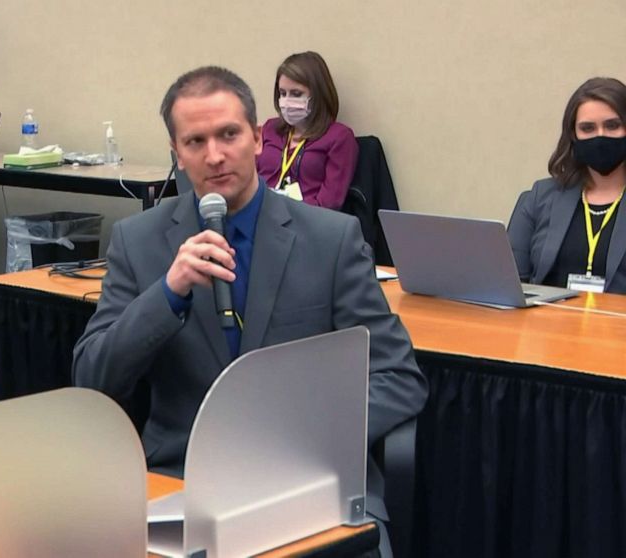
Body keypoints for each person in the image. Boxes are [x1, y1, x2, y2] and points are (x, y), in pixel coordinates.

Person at [72, 66, 427, 556]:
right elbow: (93, 379)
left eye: (229, 134)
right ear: (177, 155)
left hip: (309, 483)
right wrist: (167, 293)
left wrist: (309, 437)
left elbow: (398, 376)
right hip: (185, 486)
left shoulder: (330, 239)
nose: (215, 155)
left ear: (258, 138)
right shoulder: (139, 243)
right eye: (195, 141)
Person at [508, 77, 626, 294]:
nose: (600, 136)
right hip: (547, 325)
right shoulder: (539, 197)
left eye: (612, 125)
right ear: (573, 135)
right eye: (587, 128)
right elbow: (510, 283)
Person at [255, 51, 359, 209]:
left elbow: (329, 204)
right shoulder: (270, 128)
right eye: (283, 93)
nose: (287, 101)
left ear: (317, 94)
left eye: (296, 94)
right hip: (261, 217)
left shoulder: (339, 137)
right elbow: (248, 181)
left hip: (305, 224)